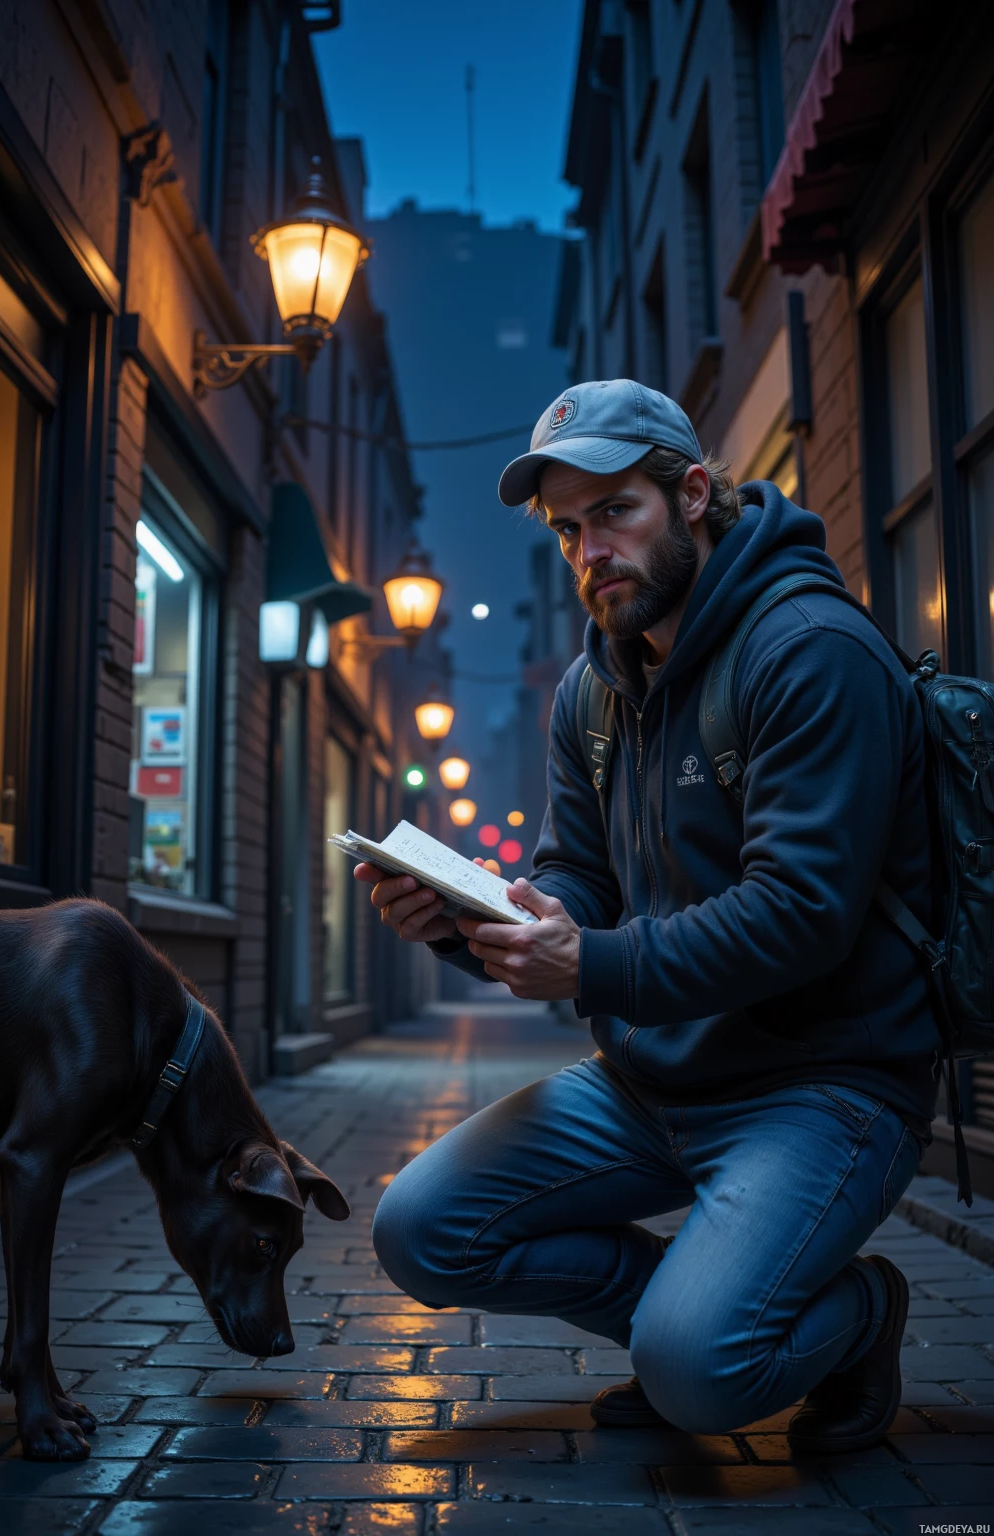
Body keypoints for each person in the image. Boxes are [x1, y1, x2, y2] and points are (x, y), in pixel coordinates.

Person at [355, 380, 939, 1454]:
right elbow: (576, 876)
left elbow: (800, 913)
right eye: (567, 528)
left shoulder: (809, 649)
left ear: (694, 495)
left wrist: (591, 964)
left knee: (699, 1373)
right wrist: (471, 923)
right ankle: (705, 1324)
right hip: (649, 1079)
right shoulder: (592, 688)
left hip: (821, 1085)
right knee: (420, 1229)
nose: (590, 549)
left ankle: (847, 1319)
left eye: (615, 511)